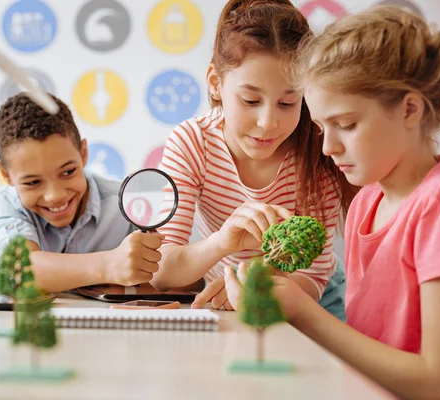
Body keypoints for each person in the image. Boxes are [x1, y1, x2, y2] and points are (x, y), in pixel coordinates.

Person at [226, 6, 440, 399]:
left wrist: (301, 310)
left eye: (346, 125)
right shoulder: (366, 202)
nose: (328, 148)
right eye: (320, 128)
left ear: (410, 109)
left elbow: (438, 382)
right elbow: (366, 348)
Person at [150, 0, 357, 320]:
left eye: (288, 103)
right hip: (229, 299)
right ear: (216, 83)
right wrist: (222, 242)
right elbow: (162, 272)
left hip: (311, 300)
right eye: (250, 100)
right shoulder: (193, 142)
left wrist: (256, 291)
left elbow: (314, 276)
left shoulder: (318, 148)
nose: (267, 122)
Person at [0, 93, 163, 293]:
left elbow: (175, 278)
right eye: (33, 182)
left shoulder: (128, 202)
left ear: (84, 154)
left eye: (68, 172)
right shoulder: (6, 204)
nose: (55, 195)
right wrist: (108, 265)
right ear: (6, 175)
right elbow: (19, 271)